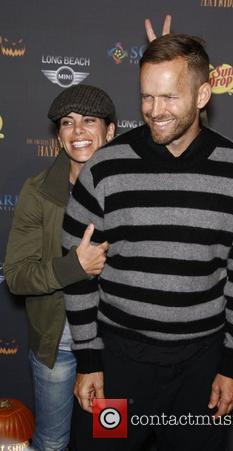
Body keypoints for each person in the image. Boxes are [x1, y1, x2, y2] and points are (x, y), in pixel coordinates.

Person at [63, 33, 233, 451]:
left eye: (170, 97)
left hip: (201, 370)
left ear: (204, 94)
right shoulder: (105, 168)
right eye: (147, 97)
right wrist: (88, 360)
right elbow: (77, 271)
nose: (155, 111)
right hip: (118, 364)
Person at [4, 84, 116, 450]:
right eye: (68, 122)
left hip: (115, 349)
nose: (78, 131)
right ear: (58, 136)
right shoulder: (37, 191)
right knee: (52, 443)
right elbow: (17, 275)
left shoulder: (130, 189)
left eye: (89, 121)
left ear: (110, 131)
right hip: (60, 349)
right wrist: (74, 266)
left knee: (107, 442)